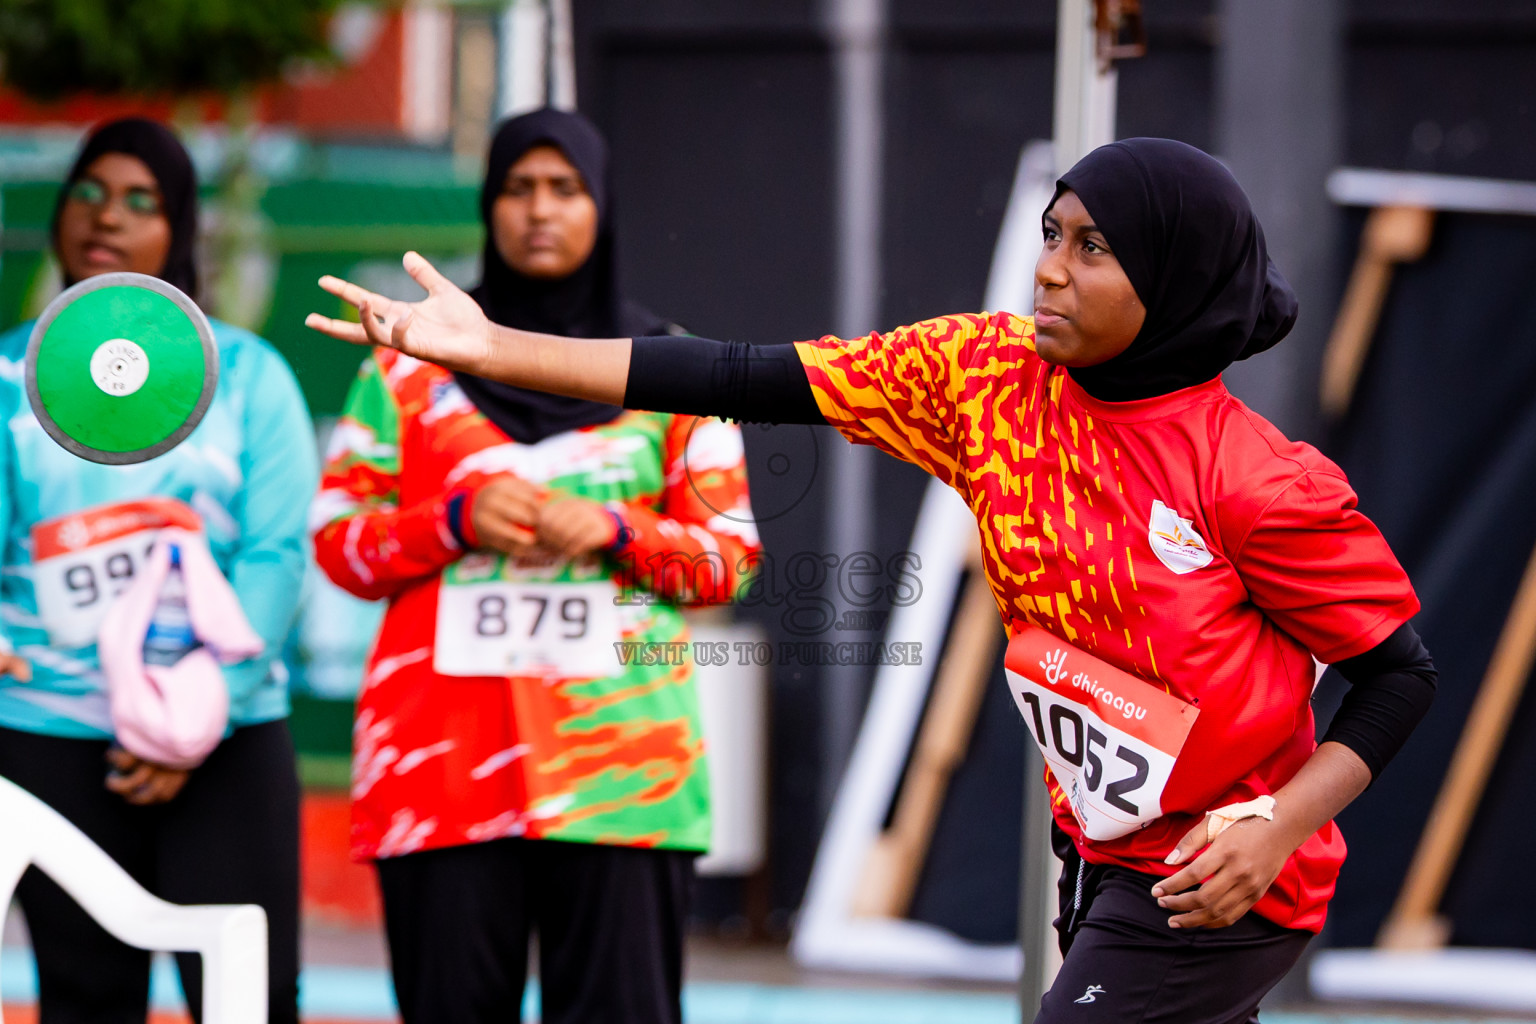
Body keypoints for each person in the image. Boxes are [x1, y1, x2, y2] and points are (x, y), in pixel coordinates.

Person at [307, 137, 1438, 1023]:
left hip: (1215, 876)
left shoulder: (1258, 480)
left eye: (1094, 247)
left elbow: (1399, 677)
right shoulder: (986, 374)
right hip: (1098, 852)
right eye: (1052, 232)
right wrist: (494, 348)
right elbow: (743, 374)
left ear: (1177, 280)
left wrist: (1273, 828)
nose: (1049, 265)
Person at [309, 109, 760, 1024]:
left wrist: (614, 529)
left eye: (566, 189)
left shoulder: (671, 368)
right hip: (438, 777)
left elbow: (730, 562)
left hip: (626, 782)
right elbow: (339, 543)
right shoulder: (406, 365)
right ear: (489, 206)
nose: (540, 211)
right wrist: (453, 520)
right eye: (518, 188)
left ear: (604, 206)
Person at [0, 118, 315, 1023]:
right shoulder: (7, 376)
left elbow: (275, 555)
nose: (107, 218)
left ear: (179, 227)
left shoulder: (250, 374)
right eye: (89, 193)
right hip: (49, 734)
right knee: (84, 1002)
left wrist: (201, 708)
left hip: (227, 742)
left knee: (250, 1001)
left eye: (141, 202)